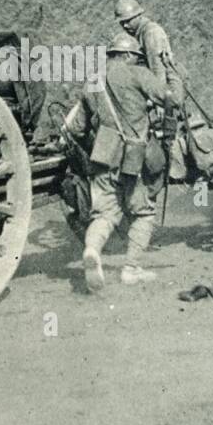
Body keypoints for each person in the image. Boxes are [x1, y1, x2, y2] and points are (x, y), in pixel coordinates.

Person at [68, 32, 167, 291]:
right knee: (143, 212)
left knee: (105, 214)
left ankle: (92, 250)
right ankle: (131, 270)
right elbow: (170, 98)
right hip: (132, 158)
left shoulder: (92, 81)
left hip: (102, 156)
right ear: (128, 55)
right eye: (136, 57)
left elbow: (77, 127)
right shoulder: (138, 74)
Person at [115, 0, 185, 180]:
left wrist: (160, 103)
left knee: (166, 127)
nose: (125, 26)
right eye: (122, 23)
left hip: (167, 85)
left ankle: (175, 166)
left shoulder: (151, 33)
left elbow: (157, 69)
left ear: (138, 15)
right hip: (156, 85)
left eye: (128, 21)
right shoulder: (139, 33)